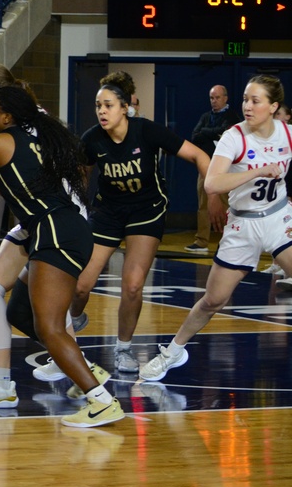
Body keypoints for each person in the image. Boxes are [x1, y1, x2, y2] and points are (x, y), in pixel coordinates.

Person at [0, 85, 124, 428]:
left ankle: (101, 401)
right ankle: (82, 369)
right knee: (20, 311)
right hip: (69, 229)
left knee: (50, 328)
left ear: (6, 116)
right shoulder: (39, 140)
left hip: (53, 233)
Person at [140, 76, 292, 383]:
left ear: (274, 107)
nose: (247, 106)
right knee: (213, 300)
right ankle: (172, 352)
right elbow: (212, 183)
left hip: (279, 219)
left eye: (255, 100)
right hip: (242, 224)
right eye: (245, 99)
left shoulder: (287, 134)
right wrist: (259, 170)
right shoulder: (234, 137)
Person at [71, 71, 212, 372]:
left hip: (145, 211)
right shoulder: (92, 139)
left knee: (133, 286)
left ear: (125, 107)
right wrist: (78, 207)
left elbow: (199, 154)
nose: (102, 111)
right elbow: (81, 174)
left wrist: (213, 193)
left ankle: (123, 348)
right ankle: (71, 327)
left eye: (108, 105)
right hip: (107, 213)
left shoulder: (146, 131)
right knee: (81, 285)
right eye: (98, 106)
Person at [187, 85, 239, 255]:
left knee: (225, 204)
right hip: (205, 166)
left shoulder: (232, 116)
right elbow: (195, 136)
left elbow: (226, 134)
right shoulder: (205, 116)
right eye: (211, 98)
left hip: (225, 168)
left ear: (225, 98)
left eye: (217, 98)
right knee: (203, 203)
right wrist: (213, 134)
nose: (214, 101)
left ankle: (227, 241)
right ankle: (201, 241)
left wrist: (206, 133)